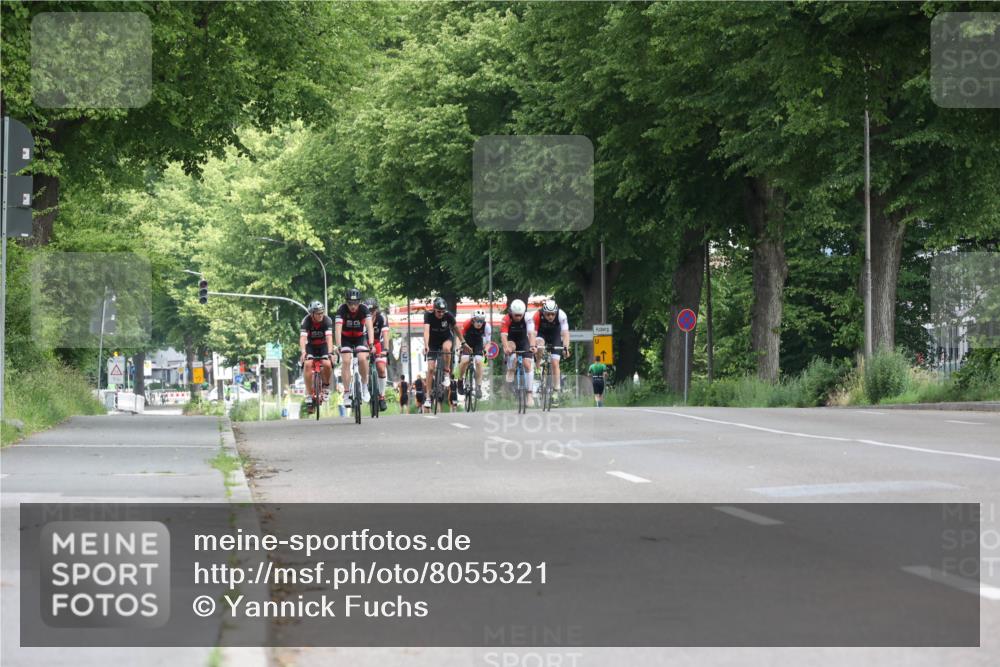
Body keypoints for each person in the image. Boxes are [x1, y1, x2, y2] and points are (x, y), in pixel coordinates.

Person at [423, 296, 465, 409]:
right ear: (434, 309)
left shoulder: (448, 315)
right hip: (432, 342)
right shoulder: (428, 315)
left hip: (446, 338)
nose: (441, 314)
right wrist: (426, 345)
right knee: (431, 369)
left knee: (446, 349)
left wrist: (463, 342)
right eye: (438, 311)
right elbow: (426, 331)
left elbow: (456, 329)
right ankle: (428, 398)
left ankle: (446, 372)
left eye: (442, 311)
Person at [335, 288, 375, 406]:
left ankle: (364, 385)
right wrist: (338, 346)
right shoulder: (341, 309)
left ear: (359, 302)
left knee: (362, 358)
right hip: (345, 338)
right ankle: (347, 393)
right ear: (346, 302)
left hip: (359, 338)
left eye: (356, 303)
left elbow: (370, 327)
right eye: (350, 303)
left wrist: (371, 344)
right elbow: (337, 329)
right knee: (346, 361)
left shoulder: (364, 309)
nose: (353, 306)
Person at [532, 299, 571, 406]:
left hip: (555, 336)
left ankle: (555, 392)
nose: (550, 317)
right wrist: (534, 346)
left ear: (556, 312)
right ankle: (537, 366)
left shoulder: (561, 314)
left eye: (552, 314)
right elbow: (533, 334)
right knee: (539, 345)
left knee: (555, 363)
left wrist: (566, 348)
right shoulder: (537, 315)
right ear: (543, 312)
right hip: (541, 334)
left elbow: (565, 333)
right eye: (548, 314)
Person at [298, 300, 335, 409]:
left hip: (323, 346)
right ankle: (309, 394)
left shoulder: (327, 320)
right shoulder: (306, 321)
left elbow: (329, 338)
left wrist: (330, 353)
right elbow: (303, 338)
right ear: (312, 314)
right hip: (311, 346)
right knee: (308, 364)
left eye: (322, 312)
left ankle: (326, 387)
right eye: (318, 313)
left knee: (327, 364)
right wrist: (303, 352)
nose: (320, 315)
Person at [500, 298, 535, 406]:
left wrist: (533, 346)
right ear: (511, 313)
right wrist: (506, 348)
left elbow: (531, 334)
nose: (519, 317)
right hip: (511, 341)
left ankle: (529, 394)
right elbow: (503, 336)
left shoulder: (528, 317)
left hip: (523, 341)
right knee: (511, 348)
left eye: (520, 315)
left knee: (528, 365)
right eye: (516, 315)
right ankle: (511, 368)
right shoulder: (506, 319)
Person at [456, 309, 491, 399]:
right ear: (472, 320)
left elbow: (488, 342)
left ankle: (478, 387)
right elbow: (459, 337)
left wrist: (486, 350)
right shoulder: (467, 323)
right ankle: (460, 380)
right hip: (466, 342)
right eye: (477, 320)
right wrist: (458, 347)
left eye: (481, 321)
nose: (479, 323)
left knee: (479, 362)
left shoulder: (487, 326)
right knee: (464, 361)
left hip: (478, 343)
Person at [365, 297, 391, 412]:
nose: (371, 313)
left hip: (378, 342)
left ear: (376, 310)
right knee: (362, 363)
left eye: (373, 310)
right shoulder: (362, 318)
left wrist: (385, 349)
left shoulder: (382, 318)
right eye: (368, 311)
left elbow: (385, 335)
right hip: (364, 342)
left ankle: (381, 396)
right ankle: (363, 388)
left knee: (381, 368)